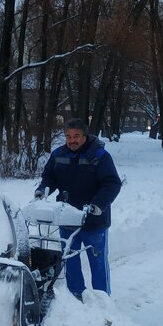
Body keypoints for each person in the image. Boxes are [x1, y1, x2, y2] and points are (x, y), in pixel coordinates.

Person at [36, 118, 122, 299]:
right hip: (67, 218)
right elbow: (49, 176)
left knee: (97, 263)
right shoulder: (59, 154)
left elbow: (112, 183)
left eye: (76, 136)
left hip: (93, 220)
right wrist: (42, 191)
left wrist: (98, 205)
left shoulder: (99, 156)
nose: (71, 140)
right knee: (70, 260)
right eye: (68, 136)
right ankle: (76, 296)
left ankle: (102, 299)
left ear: (85, 136)